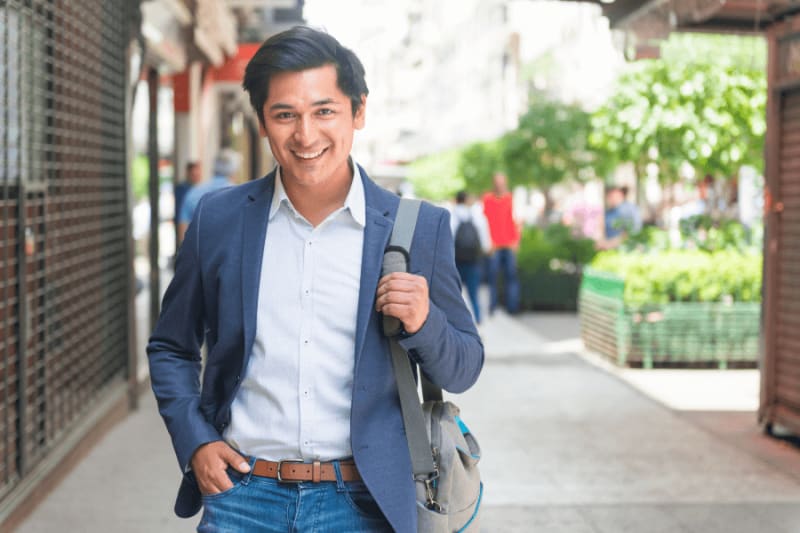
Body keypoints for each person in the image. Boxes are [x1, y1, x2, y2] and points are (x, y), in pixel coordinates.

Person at [147, 26, 483, 533]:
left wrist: (424, 320)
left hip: (363, 501)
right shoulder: (219, 220)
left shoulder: (419, 229)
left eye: (324, 111)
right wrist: (195, 439)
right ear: (263, 121)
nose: (306, 135)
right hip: (242, 497)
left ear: (358, 111)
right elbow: (171, 347)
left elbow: (465, 366)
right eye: (286, 115)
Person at [176, 150, 237, 244]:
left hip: (199, 255)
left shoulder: (192, 194)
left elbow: (183, 232)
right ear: (233, 172)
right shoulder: (238, 195)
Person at [482, 172, 521, 315]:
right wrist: (487, 243)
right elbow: (484, 222)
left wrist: (516, 241)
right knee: (492, 277)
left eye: (502, 181)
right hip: (494, 246)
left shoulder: (510, 199)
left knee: (511, 277)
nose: (500, 184)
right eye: (497, 181)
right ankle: (493, 306)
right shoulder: (487, 199)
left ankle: (512, 307)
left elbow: (516, 221)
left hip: (509, 245)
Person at [451, 190, 491, 324]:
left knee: (454, 294)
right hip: (474, 261)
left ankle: (457, 321)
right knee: (474, 294)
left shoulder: (451, 215)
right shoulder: (477, 216)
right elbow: (485, 242)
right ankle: (477, 320)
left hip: (456, 261)